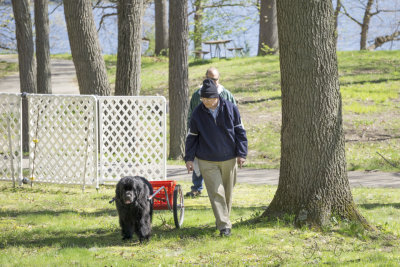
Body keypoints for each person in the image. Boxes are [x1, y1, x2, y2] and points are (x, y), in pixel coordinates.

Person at [184, 78, 247, 237]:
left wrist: (241, 153)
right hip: (206, 159)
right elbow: (192, 136)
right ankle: (224, 227)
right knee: (216, 192)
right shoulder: (198, 112)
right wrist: (189, 158)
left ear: (216, 97)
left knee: (227, 193)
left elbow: (240, 132)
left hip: (229, 157)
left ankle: (223, 219)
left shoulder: (231, 108)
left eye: (209, 99)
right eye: (203, 99)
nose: (206, 102)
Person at [185, 67, 236, 198]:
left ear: (219, 79)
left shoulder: (226, 94)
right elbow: (191, 114)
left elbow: (235, 116)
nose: (212, 81)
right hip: (201, 134)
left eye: (214, 79)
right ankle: (196, 187)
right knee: (198, 162)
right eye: (209, 79)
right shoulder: (197, 95)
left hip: (222, 138)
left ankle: (221, 189)